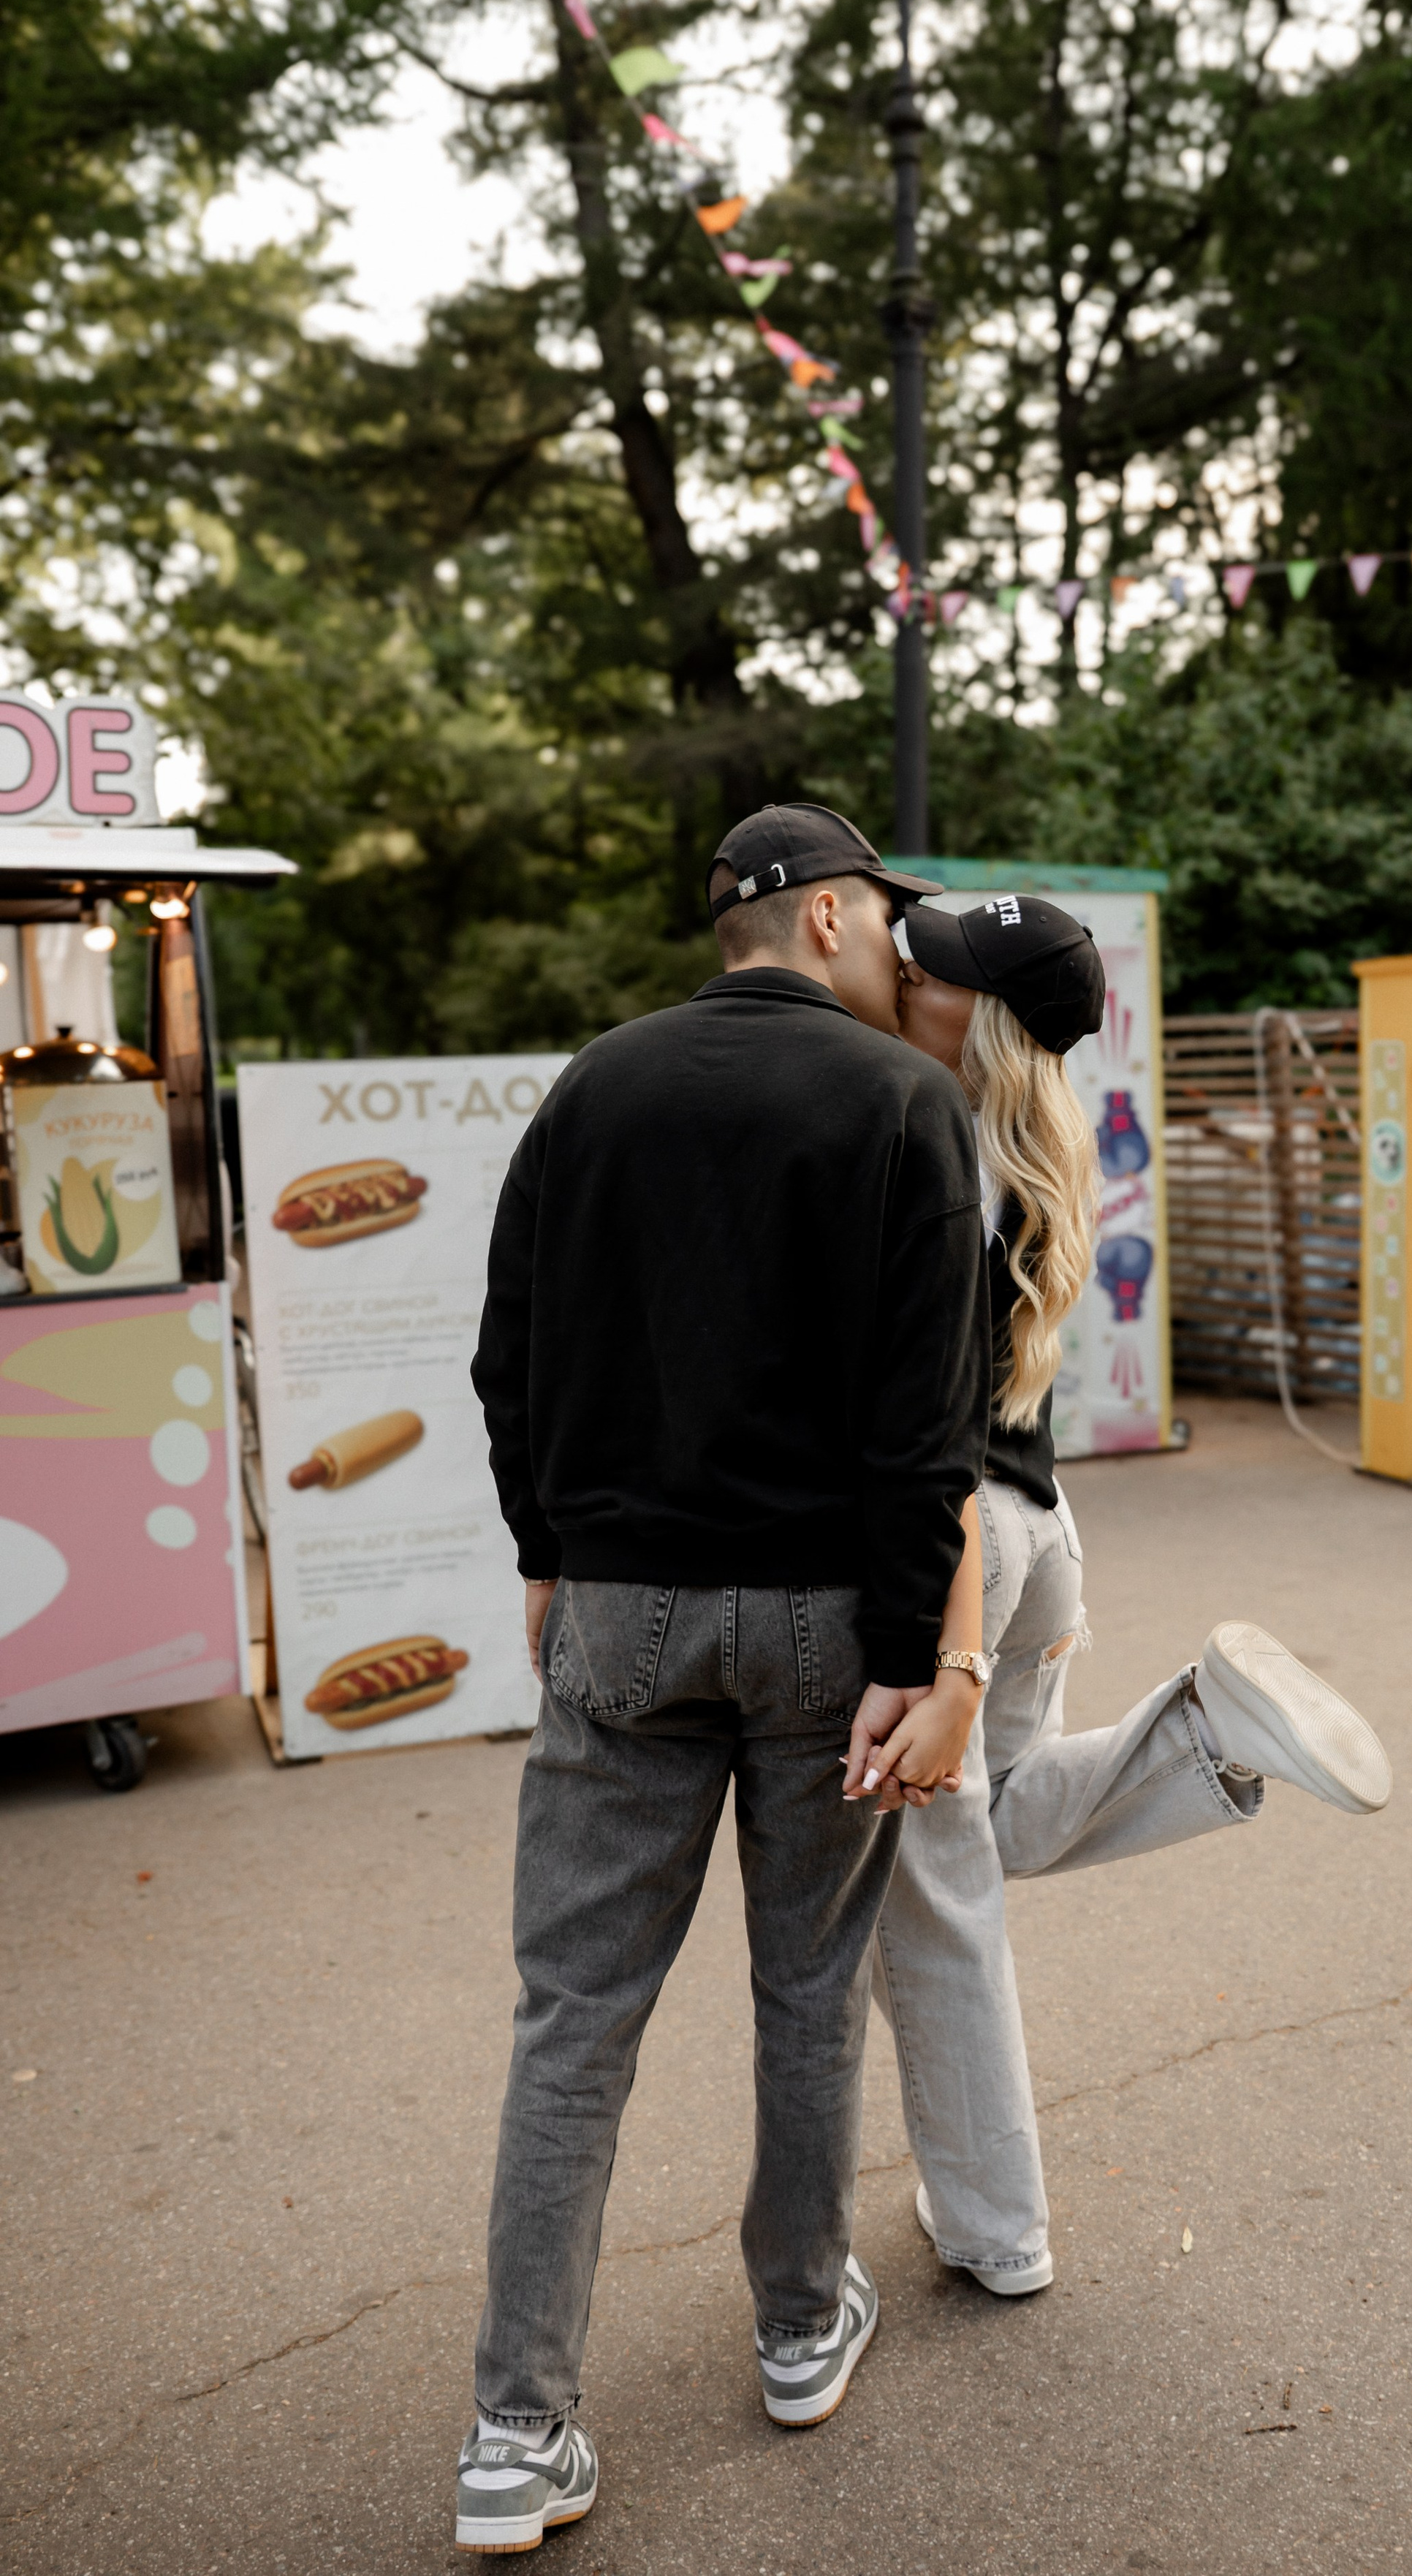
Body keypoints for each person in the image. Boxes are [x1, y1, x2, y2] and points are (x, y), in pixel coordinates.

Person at [457, 803, 993, 2554]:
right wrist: (917, 1657)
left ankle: (517, 2433)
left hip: (617, 1604)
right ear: (829, 918)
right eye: (883, 922)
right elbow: (925, 1428)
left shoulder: (593, 1088)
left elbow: (505, 1349)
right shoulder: (899, 1102)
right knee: (805, 1981)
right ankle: (792, 2327)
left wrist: (548, 1549)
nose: (893, 951)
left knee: (573, 2016)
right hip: (827, 1621)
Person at [854, 893, 1392, 2295]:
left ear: (987, 1019)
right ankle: (1208, 1733)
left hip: (959, 1546)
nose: (911, 973)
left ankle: (995, 2227)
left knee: (937, 1890)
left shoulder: (929, 1141)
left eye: (940, 969)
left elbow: (912, 1424)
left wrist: (939, 1644)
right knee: (997, 1817)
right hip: (1040, 1532)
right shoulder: (1034, 1151)